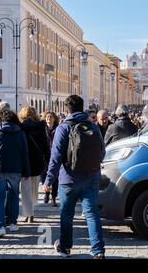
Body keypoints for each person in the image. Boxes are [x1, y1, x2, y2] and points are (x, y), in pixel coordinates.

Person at [44, 95, 106, 259]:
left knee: (66, 214)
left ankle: (65, 248)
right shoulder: (93, 126)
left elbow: (56, 156)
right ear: (82, 107)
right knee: (92, 214)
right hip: (91, 176)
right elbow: (102, 152)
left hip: (69, 179)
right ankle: (98, 249)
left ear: (66, 110)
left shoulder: (63, 128)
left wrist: (49, 180)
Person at [0, 109, 30, 238]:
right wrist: (26, 171)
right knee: (14, 196)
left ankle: (1, 226)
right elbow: (25, 154)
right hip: (16, 169)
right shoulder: (20, 133)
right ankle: (13, 223)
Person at [19, 106, 50, 223]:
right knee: (34, 188)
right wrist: (48, 160)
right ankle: (31, 212)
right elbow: (45, 145)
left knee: (25, 189)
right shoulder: (40, 127)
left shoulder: (20, 127)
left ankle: (28, 213)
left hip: (24, 161)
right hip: (36, 161)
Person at [42, 111, 59, 207]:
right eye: (47, 116)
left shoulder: (58, 129)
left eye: (51, 116)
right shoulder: (43, 129)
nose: (49, 118)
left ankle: (54, 197)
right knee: (45, 176)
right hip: (45, 156)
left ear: (54, 118)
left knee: (55, 178)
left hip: (55, 155)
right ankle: (46, 193)